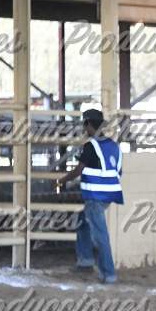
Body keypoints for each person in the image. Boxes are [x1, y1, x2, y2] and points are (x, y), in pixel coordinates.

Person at [58, 108, 123, 284]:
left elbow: (79, 170)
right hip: (110, 194)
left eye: (84, 124)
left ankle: (108, 273)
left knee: (100, 235)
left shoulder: (91, 145)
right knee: (82, 222)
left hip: (95, 196)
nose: (84, 128)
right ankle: (85, 261)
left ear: (88, 124)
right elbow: (118, 171)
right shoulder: (113, 146)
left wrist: (62, 180)